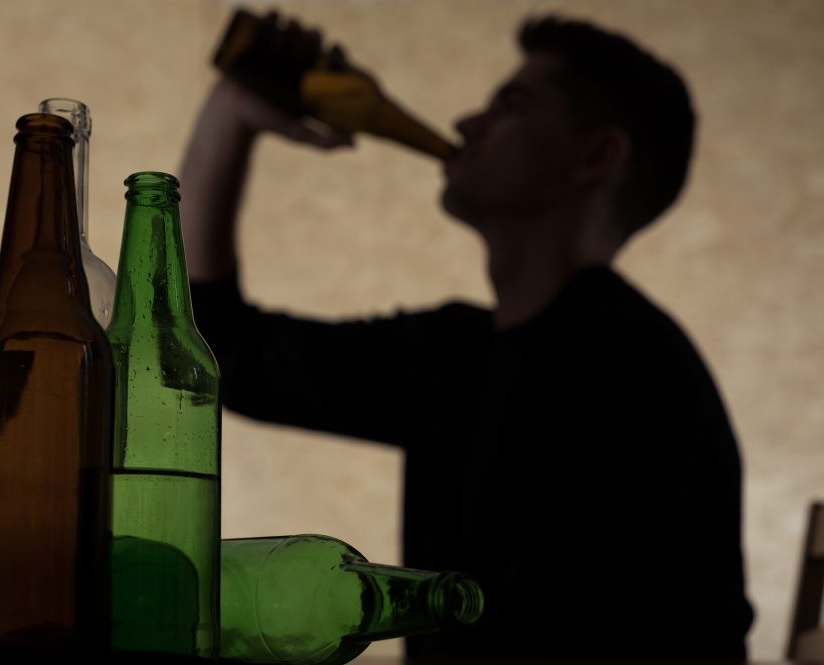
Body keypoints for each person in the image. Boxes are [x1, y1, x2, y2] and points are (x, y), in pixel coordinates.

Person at [182, 13, 755, 661]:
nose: (463, 125)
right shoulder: (453, 355)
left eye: (510, 106)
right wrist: (231, 112)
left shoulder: (628, 374)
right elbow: (226, 353)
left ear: (595, 155)